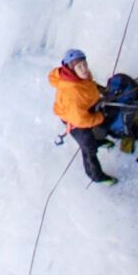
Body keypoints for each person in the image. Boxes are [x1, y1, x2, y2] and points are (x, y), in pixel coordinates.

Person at [47, 51, 117, 184]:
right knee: (89, 148)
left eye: (85, 64)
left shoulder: (74, 77)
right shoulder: (72, 93)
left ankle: (98, 142)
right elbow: (81, 120)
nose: (84, 69)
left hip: (82, 109)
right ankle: (96, 176)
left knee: (96, 130)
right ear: (71, 69)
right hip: (75, 122)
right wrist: (100, 117)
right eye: (79, 67)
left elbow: (88, 87)